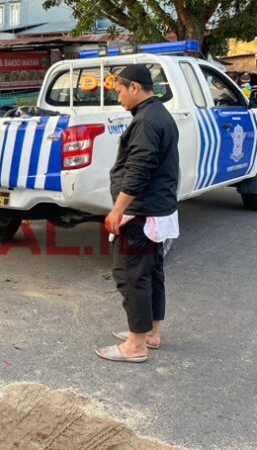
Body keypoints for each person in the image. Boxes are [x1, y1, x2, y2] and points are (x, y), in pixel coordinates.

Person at [96, 64, 179, 363]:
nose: (118, 98)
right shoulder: (159, 114)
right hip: (158, 210)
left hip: (141, 212)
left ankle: (135, 345)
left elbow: (140, 168)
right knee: (151, 272)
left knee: (131, 275)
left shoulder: (146, 121)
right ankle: (150, 333)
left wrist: (118, 209)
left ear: (134, 88)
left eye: (119, 91)